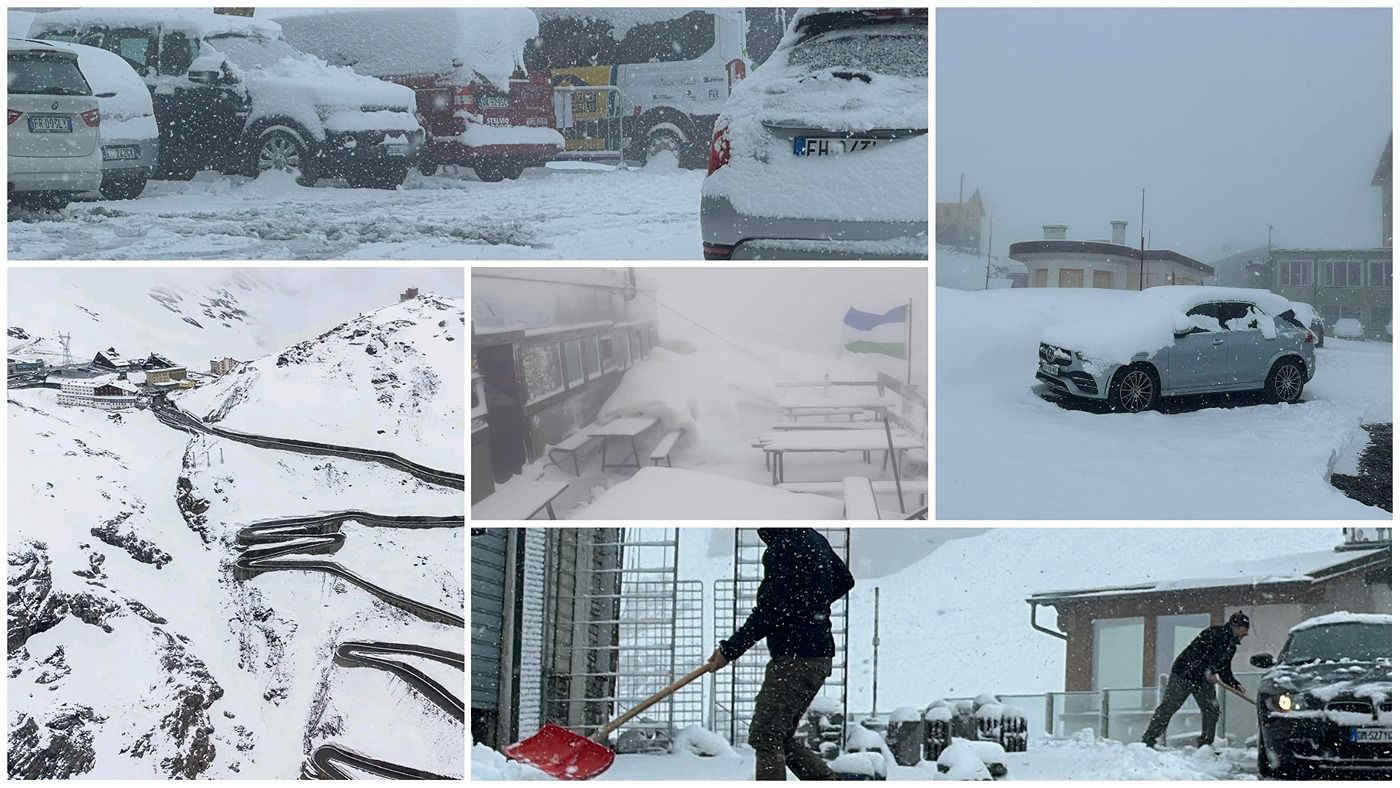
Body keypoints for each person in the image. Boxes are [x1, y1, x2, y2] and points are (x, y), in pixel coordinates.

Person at [705, 528, 856, 780]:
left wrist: (728, 651)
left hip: (795, 658)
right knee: (779, 737)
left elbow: (768, 613)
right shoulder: (813, 538)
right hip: (817, 656)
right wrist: (810, 606)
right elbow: (844, 580)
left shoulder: (783, 547)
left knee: (766, 736)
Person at [1141, 612, 1251, 749]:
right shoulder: (1213, 633)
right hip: (1184, 674)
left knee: (1212, 709)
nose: (1246, 634)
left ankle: (1206, 745)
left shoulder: (1231, 646)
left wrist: (1235, 684)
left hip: (1203, 680)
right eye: (1244, 630)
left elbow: (1224, 670)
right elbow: (1198, 654)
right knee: (1169, 706)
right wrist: (1207, 670)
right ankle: (1148, 740)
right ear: (1236, 626)